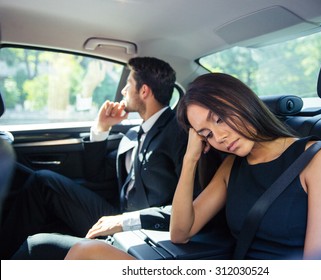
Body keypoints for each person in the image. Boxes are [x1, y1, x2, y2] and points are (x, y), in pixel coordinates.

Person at [64, 72, 321, 260]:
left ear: (240, 101)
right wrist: (190, 159)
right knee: (84, 253)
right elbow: (180, 232)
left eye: (219, 118)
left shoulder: (319, 159)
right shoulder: (232, 166)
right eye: (207, 134)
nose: (220, 137)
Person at [0, 57, 190, 259]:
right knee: (42, 181)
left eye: (128, 85)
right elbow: (96, 175)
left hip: (145, 231)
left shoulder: (178, 134)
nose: (123, 91)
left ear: (144, 91)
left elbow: (190, 208)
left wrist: (125, 221)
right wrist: (101, 129)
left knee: (36, 246)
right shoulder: (134, 134)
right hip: (117, 215)